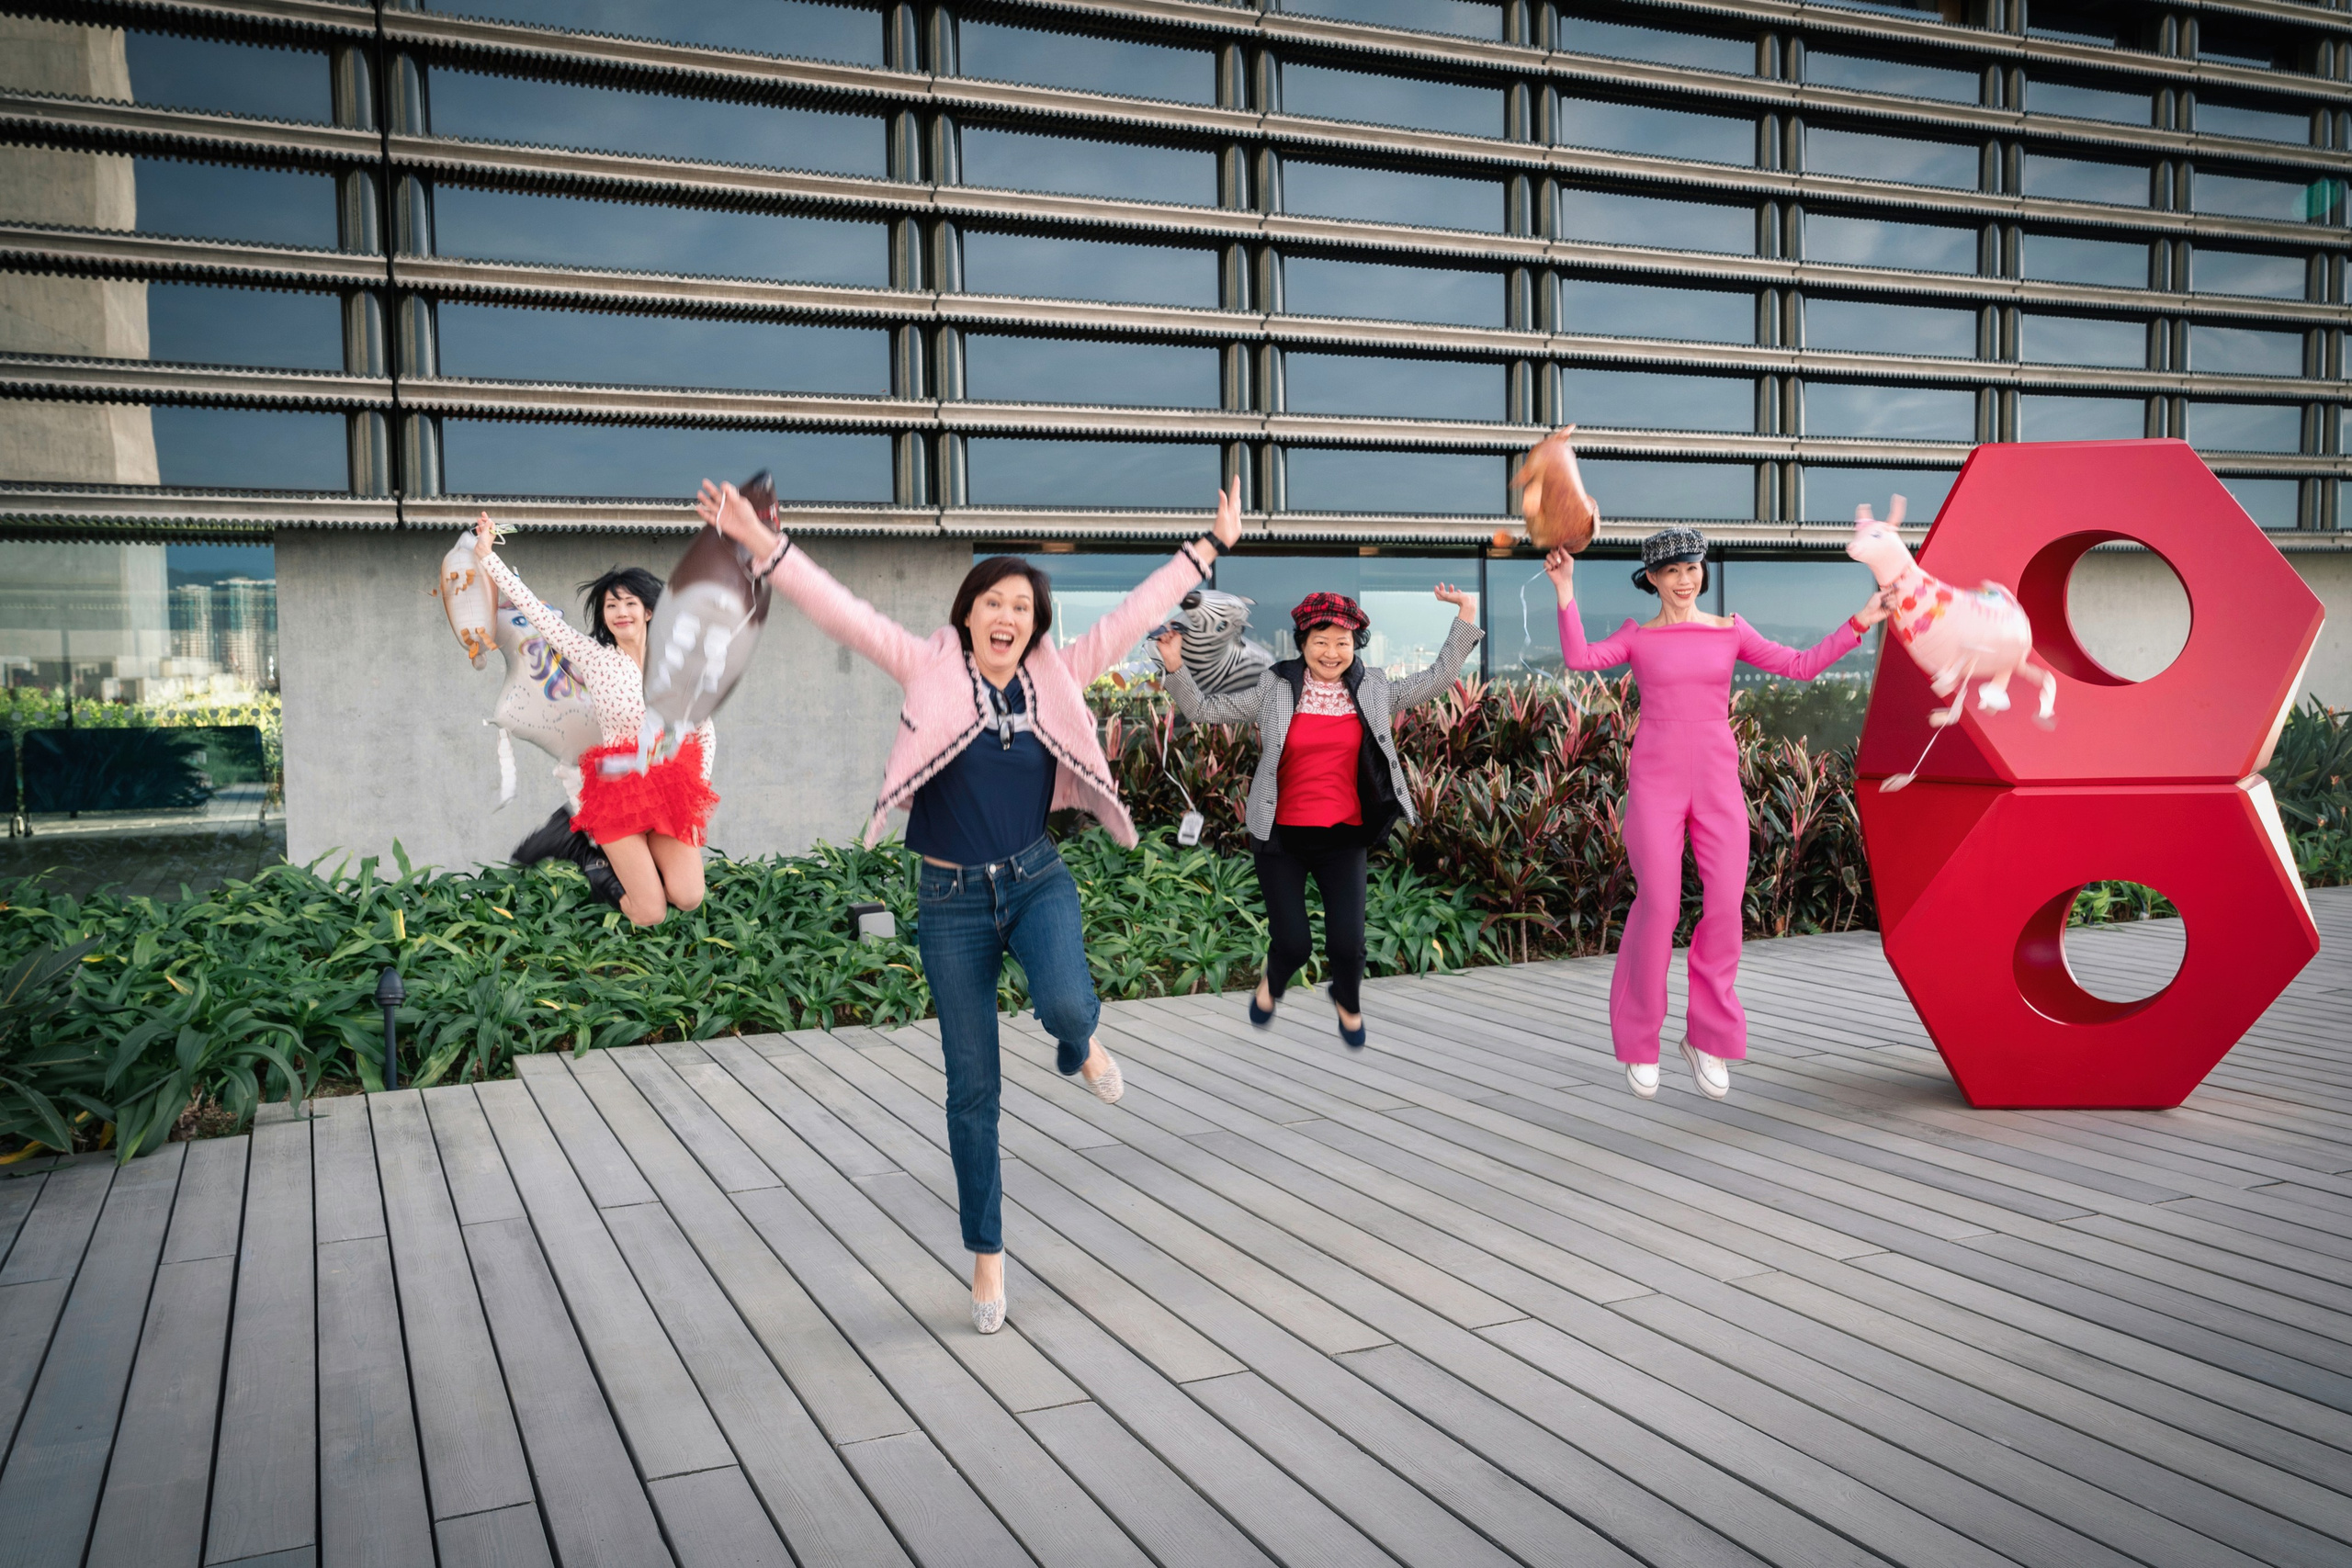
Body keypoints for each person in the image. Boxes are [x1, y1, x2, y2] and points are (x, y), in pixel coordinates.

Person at [698, 475, 1244, 1334]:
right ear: (967, 614)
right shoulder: (930, 665)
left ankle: (1080, 1044)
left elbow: (1136, 613)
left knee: (1067, 1002)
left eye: (1022, 607)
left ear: (1035, 624)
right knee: (971, 1089)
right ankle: (988, 1258)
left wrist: (1206, 548)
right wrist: (761, 546)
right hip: (947, 901)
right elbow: (841, 611)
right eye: (993, 601)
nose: (1007, 615)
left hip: (1034, 877)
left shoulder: (1056, 675)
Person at [1548, 527, 1887, 1100]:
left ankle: (1706, 1038)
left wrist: (1859, 622)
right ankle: (1639, 1041)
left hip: (1717, 785)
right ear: (1652, 578)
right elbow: (1581, 658)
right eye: (1674, 571)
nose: (1686, 580)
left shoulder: (1731, 631)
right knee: (1658, 907)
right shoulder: (1637, 637)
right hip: (1656, 785)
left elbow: (1801, 666)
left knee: (1727, 908)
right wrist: (1565, 588)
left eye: (1694, 568)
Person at [1159, 586, 1482, 1049]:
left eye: (1343, 642)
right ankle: (1273, 983)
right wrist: (1175, 667)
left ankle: (1347, 1002)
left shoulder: (1372, 689)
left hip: (1344, 836)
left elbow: (1433, 680)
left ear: (1356, 645)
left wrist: (1466, 615)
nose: (1332, 653)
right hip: (1281, 837)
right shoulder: (1275, 688)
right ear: (1303, 643)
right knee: (1293, 944)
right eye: (1321, 641)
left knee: (1348, 948)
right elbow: (1206, 710)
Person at [473, 513, 716, 927]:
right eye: (611, 605)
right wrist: (487, 557)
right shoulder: (596, 657)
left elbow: (703, 730)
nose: (620, 612)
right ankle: (580, 846)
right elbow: (539, 616)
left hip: (669, 786)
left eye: (629, 603)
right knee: (649, 913)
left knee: (689, 896)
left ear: (650, 611)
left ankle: (631, 860)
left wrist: (696, 789)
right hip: (618, 790)